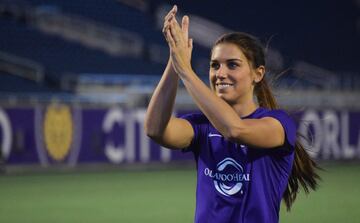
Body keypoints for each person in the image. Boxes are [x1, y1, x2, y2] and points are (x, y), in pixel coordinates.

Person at [144, 5, 320, 223]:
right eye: (214, 65)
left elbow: (234, 129)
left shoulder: (278, 124)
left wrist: (186, 72)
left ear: (258, 74)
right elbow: (154, 130)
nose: (220, 73)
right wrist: (175, 61)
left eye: (232, 65)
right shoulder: (202, 125)